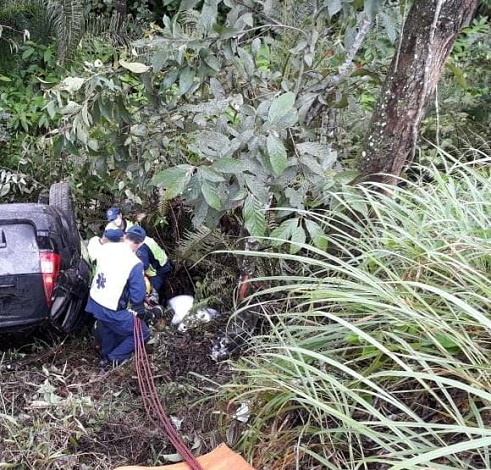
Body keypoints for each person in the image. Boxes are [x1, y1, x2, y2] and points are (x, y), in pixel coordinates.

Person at [85, 225, 158, 367]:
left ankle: (104, 358)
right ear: (141, 244)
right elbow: (137, 295)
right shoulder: (134, 263)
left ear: (124, 237)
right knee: (142, 333)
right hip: (111, 308)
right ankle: (112, 359)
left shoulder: (105, 248)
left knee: (109, 330)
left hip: (95, 302)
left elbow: (94, 248)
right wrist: (141, 312)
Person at [126, 225, 172, 298]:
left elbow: (143, 266)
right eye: (129, 238)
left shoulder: (141, 249)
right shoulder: (144, 239)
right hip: (159, 262)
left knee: (150, 295)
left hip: (158, 270)